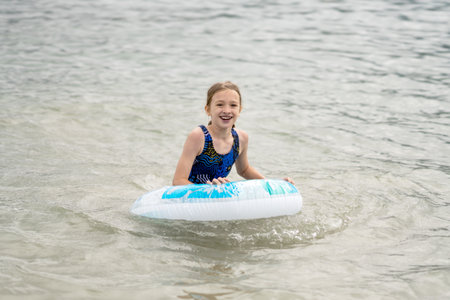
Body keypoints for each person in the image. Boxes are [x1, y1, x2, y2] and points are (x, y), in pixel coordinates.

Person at [172, 81, 293, 185]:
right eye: (220, 105)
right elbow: (178, 181)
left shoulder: (241, 138)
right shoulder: (199, 136)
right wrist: (207, 190)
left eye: (233, 105)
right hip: (190, 198)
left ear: (239, 110)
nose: (227, 110)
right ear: (208, 110)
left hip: (217, 197)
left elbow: (244, 170)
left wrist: (271, 184)